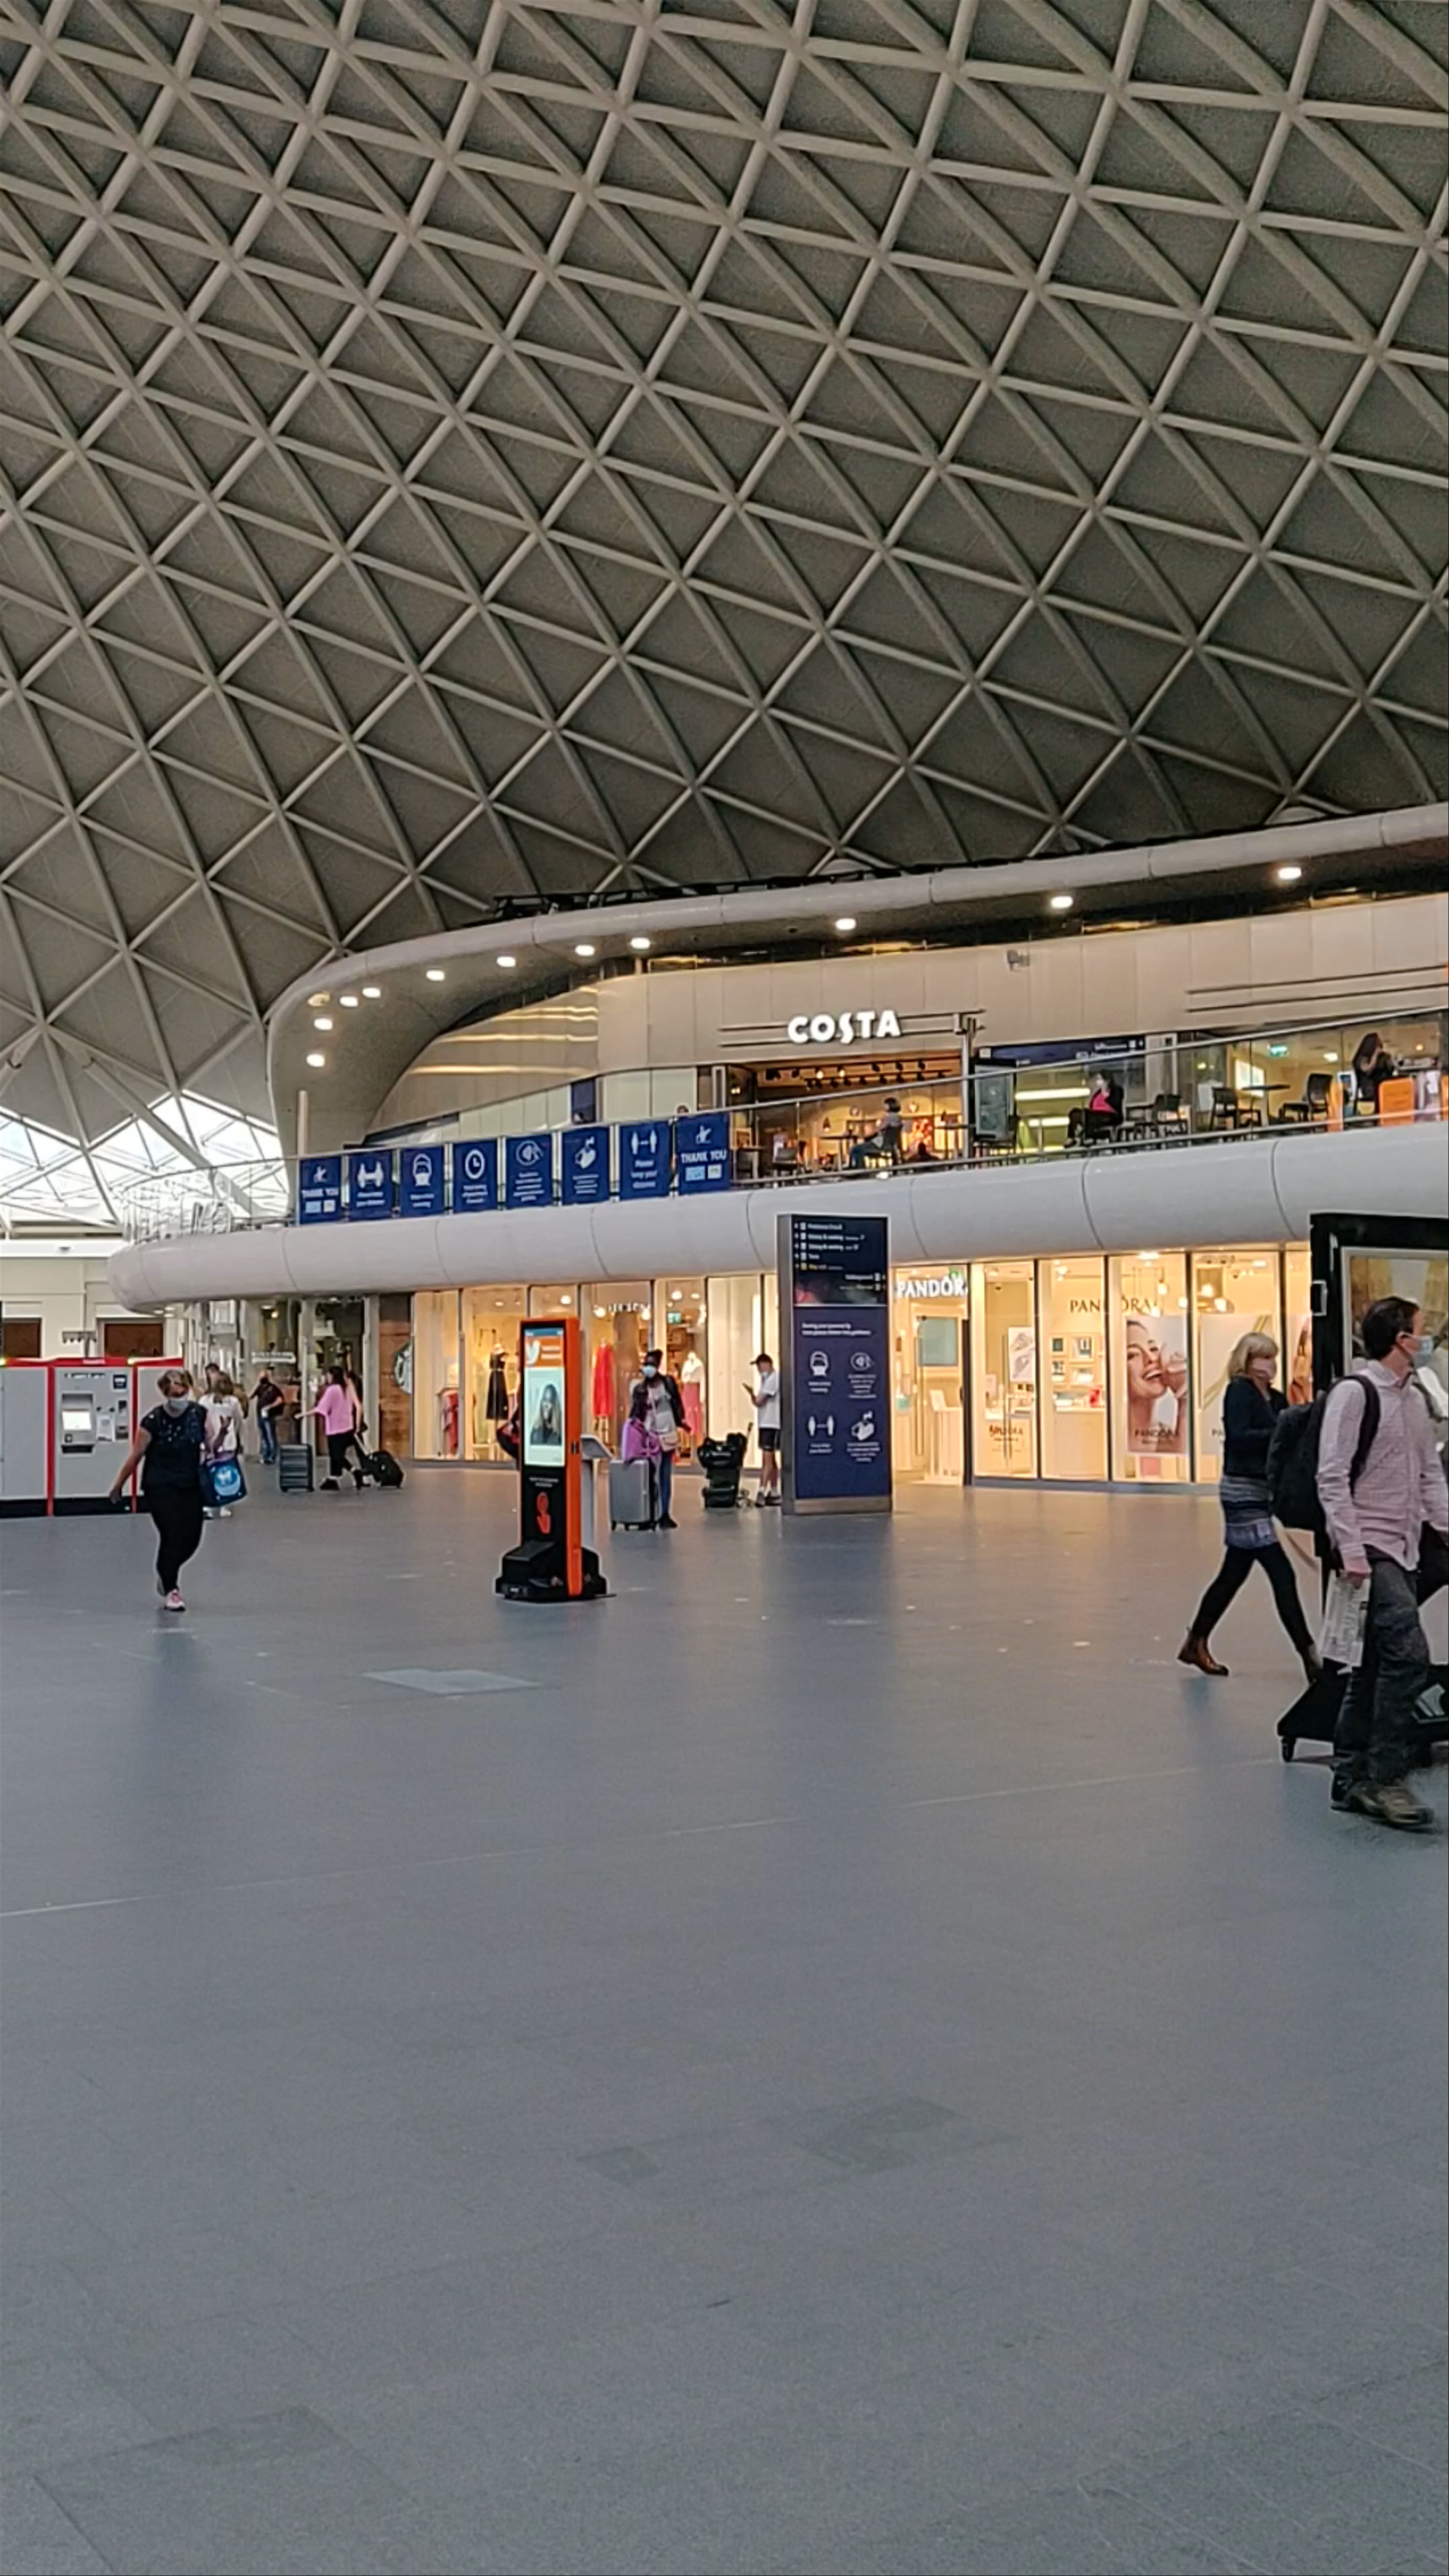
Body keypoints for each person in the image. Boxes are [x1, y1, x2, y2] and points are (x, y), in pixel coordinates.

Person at [1319, 1296, 1449, 1830]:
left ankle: (1350, 1774)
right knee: (1409, 1654)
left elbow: (1429, 1477)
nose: (1427, 1341)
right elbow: (1332, 1475)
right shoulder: (1355, 1395)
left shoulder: (1414, 1400)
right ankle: (1386, 1775)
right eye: (1421, 1332)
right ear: (1402, 1340)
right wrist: (1350, 1550)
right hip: (1369, 1546)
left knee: (1373, 1663)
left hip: (1405, 1544)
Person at [1179, 1333, 1320, 1684]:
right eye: (1263, 1357)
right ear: (1248, 1359)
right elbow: (1240, 1437)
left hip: (1263, 1489)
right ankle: (1310, 1655)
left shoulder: (1274, 1397)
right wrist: (1280, 1432)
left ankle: (1196, 1639)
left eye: (1272, 1357)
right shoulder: (1239, 1392)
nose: (1270, 1364)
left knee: (1234, 1572)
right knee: (1281, 1572)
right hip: (1243, 1491)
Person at [107, 1367, 216, 1612]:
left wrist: (222, 1436)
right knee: (172, 1533)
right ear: (166, 1394)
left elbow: (210, 1448)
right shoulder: (152, 1421)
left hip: (191, 1483)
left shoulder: (199, 1414)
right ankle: (172, 1588)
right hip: (160, 1484)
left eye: (183, 1392)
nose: (180, 1397)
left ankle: (166, 1570)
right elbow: (136, 1456)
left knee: (192, 1537)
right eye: (175, 1393)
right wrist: (119, 1485)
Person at [631, 1349, 684, 1526]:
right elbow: (636, 1414)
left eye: (652, 1365)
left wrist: (681, 1423)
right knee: (649, 1474)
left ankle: (665, 1513)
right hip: (649, 1435)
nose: (649, 1368)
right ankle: (650, 1513)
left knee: (665, 1473)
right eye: (646, 1365)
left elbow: (677, 1403)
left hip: (667, 1432)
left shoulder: (668, 1383)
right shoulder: (640, 1389)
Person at [1124, 1318, 1188, 1453]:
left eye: (1153, 1349)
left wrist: (1185, 1400)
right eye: (1133, 1355)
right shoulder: (1113, 1440)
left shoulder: (1171, 1437)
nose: (1152, 1359)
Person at [314, 1365, 365, 1490]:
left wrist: (303, 1415)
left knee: (336, 1455)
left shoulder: (333, 1390)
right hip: (349, 1427)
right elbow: (359, 1407)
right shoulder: (348, 1388)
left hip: (335, 1428)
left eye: (328, 1375)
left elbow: (322, 1408)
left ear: (332, 1376)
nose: (327, 1377)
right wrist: (357, 1426)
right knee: (338, 1456)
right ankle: (341, 1476)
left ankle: (337, 1478)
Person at [620, 1383, 663, 1527]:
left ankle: (649, 1515)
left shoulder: (638, 1422)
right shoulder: (633, 1425)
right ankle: (647, 1516)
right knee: (650, 1474)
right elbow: (632, 1451)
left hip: (642, 1460)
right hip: (638, 1464)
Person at [203, 1371, 245, 1518]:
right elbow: (239, 1421)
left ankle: (208, 1504)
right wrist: (237, 1436)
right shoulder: (233, 1402)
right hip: (228, 1442)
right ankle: (225, 1505)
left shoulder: (205, 1401)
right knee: (226, 1473)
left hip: (208, 1442)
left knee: (209, 1472)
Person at [746, 1350, 781, 1504]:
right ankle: (774, 1491)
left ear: (767, 1365)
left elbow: (760, 1402)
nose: (759, 1370)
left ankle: (761, 1490)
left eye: (760, 1366)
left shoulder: (773, 1379)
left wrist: (752, 1396)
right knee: (771, 1459)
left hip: (771, 1424)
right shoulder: (767, 1380)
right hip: (768, 1423)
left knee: (767, 1458)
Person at [849, 1097, 903, 1169]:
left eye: (886, 1105)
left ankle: (858, 1169)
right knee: (860, 1148)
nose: (884, 1107)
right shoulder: (898, 1117)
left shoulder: (890, 1117)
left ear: (891, 1105)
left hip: (882, 1144)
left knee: (855, 1149)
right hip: (888, 1144)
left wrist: (862, 1135)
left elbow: (878, 1130)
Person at [1350, 1030, 1393, 1114]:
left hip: (1381, 1088)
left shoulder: (1377, 1059)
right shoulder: (1362, 1059)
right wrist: (1376, 1055)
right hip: (1370, 1090)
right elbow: (1368, 1070)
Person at [251, 1372, 285, 1466]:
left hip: (269, 1416)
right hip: (260, 1415)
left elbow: (280, 1400)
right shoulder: (260, 1388)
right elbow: (251, 1396)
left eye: (263, 1377)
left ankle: (272, 1456)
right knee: (263, 1436)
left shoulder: (273, 1388)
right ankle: (265, 1456)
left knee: (270, 1436)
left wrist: (270, 1407)